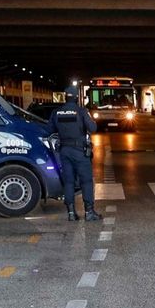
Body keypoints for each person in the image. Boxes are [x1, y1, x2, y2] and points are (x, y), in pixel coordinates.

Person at [48, 86, 102, 222]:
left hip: (64, 151)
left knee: (69, 182)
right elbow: (93, 128)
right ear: (77, 98)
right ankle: (89, 212)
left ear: (65, 97)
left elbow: (49, 130)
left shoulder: (56, 112)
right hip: (80, 152)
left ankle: (71, 213)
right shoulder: (81, 111)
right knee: (86, 181)